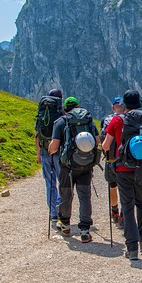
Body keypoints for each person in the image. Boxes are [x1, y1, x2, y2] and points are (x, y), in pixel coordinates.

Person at [102, 90, 142, 260]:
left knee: (127, 207)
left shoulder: (117, 120)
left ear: (125, 104)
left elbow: (105, 145)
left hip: (123, 169)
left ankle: (132, 248)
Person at [49, 96, 100, 243]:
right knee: (85, 196)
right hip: (86, 165)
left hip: (68, 166)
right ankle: (85, 229)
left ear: (65, 109)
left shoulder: (61, 122)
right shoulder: (88, 120)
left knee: (66, 194)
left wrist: (52, 151)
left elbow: (54, 146)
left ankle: (65, 224)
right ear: (78, 106)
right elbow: (97, 141)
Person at [35, 88, 63, 226]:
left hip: (45, 152)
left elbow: (37, 135)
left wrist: (38, 153)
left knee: (49, 183)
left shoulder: (42, 113)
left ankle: (52, 213)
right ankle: (62, 210)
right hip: (58, 152)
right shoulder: (60, 113)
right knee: (62, 181)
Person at [100, 96, 126, 229]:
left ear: (113, 107)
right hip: (126, 160)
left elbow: (103, 143)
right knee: (125, 187)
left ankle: (114, 211)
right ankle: (123, 214)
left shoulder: (106, 120)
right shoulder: (128, 120)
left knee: (112, 186)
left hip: (111, 159)